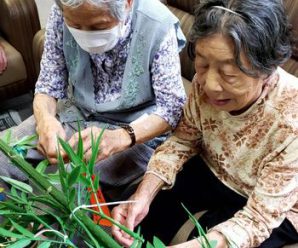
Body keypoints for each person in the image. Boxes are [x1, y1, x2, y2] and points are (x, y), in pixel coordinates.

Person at [111, 0, 298, 247]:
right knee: (136, 212)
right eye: (202, 64)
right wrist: (142, 196)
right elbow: (182, 141)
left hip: (274, 205)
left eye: (229, 74)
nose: (209, 84)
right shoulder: (202, 85)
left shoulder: (291, 119)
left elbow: (258, 219)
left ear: (268, 69)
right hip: (214, 170)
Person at [0, 0, 186, 200]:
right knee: (3, 155)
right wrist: (46, 121)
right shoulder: (63, 13)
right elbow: (48, 85)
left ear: (127, 3)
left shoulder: (157, 24)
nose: (85, 35)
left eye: (99, 26)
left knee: (63, 188)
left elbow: (172, 108)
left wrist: (122, 137)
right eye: (76, 26)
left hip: (134, 132)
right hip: (74, 114)